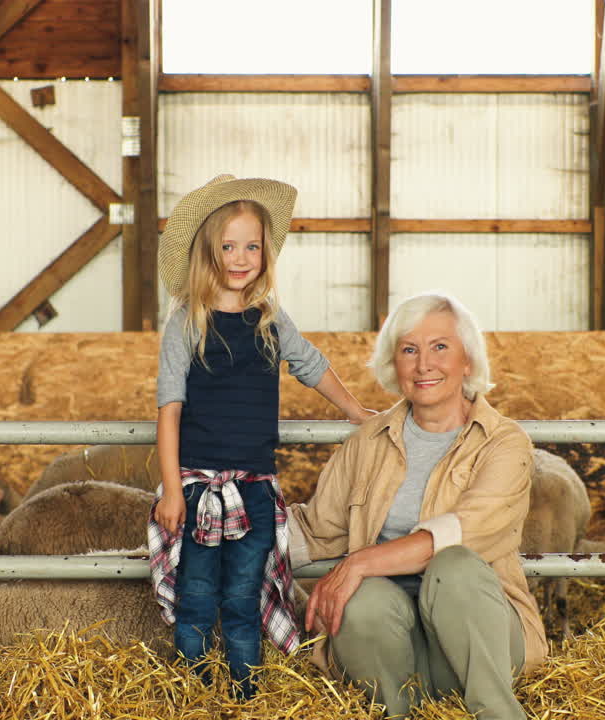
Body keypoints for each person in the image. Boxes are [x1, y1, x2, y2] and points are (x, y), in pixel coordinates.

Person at [147, 174, 374, 699]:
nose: (241, 256)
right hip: (197, 485)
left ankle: (246, 692)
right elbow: (169, 409)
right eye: (229, 245)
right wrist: (172, 489)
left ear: (266, 253)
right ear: (209, 251)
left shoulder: (270, 319)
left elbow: (311, 365)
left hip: (255, 484)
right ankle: (194, 692)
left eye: (252, 245)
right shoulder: (187, 322)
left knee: (244, 597)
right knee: (197, 594)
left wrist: (356, 411)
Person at [288, 291, 548, 720]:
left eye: (440, 347)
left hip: (477, 650)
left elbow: (468, 529)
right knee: (360, 598)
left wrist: (358, 563)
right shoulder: (367, 442)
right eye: (409, 350)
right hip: (394, 654)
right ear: (396, 364)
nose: (424, 364)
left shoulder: (503, 442)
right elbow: (318, 528)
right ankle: (395, 711)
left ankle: (496, 713)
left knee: (456, 567)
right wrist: (225, 531)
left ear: (468, 360)